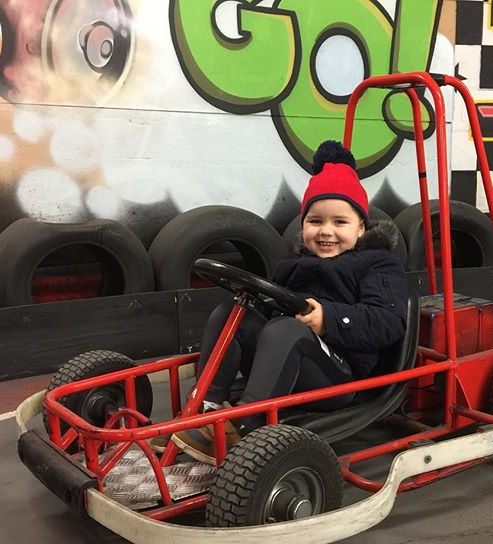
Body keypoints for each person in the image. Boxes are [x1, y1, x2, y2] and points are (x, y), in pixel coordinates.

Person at [170, 140, 408, 463]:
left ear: (361, 228)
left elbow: (388, 322)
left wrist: (329, 319)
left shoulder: (376, 264)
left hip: (342, 375)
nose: (326, 232)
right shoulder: (294, 264)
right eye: (315, 221)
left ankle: (247, 428)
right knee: (231, 313)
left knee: (286, 331)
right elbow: (267, 312)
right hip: (289, 362)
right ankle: (204, 410)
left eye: (340, 222)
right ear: (303, 224)